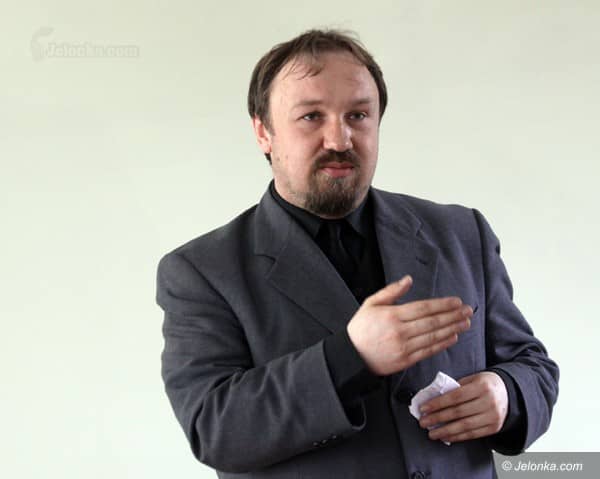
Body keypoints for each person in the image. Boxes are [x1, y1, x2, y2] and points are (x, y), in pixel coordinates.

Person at [156, 29, 559, 479]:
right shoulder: (200, 271)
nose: (339, 139)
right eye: (311, 116)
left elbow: (533, 366)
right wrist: (350, 358)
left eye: (358, 115)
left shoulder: (462, 233)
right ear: (263, 132)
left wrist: (507, 394)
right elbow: (214, 429)